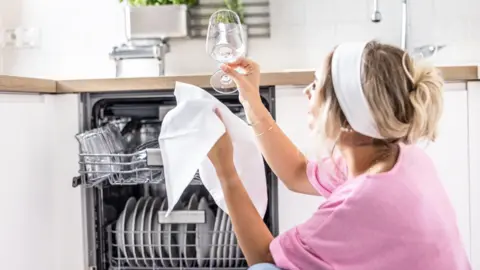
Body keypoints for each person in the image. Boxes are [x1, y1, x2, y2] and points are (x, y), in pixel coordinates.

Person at [206, 40, 472, 270]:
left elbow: (265, 259)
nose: (306, 91)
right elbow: (297, 173)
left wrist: (226, 172)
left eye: (316, 84)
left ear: (346, 118)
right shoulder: (395, 153)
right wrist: (252, 102)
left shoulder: (363, 200)